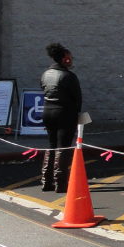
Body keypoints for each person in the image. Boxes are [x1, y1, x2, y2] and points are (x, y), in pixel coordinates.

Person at [39, 42, 82, 192]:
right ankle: (61, 183)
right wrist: (76, 115)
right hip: (64, 113)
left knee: (51, 145)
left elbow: (43, 89)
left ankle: (46, 180)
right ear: (65, 59)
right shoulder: (68, 76)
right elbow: (77, 99)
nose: (72, 59)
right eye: (70, 57)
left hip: (47, 111)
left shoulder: (45, 74)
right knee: (63, 147)